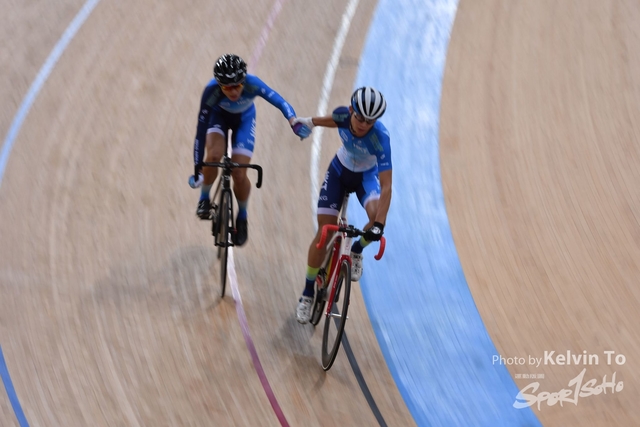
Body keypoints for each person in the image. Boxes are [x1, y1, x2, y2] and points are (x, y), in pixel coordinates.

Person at [292, 87, 392, 324]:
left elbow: (387, 186)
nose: (363, 125)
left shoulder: (381, 138)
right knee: (324, 234)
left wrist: (379, 225)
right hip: (339, 171)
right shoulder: (342, 115)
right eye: (360, 118)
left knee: (376, 218)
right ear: (351, 111)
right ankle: (307, 293)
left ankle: (356, 249)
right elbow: (329, 120)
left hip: (366, 178)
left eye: (370, 121)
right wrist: (309, 122)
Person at [188, 53, 311, 246]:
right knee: (213, 155)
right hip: (217, 118)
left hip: (244, 120)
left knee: (239, 173)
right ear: (219, 85)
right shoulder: (211, 91)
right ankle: (204, 198)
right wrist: (198, 168)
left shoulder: (253, 83)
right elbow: (200, 131)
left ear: (243, 81)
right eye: (227, 87)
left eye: (237, 85)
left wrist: (292, 120)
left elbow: (280, 101)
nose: (233, 91)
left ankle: (242, 216)